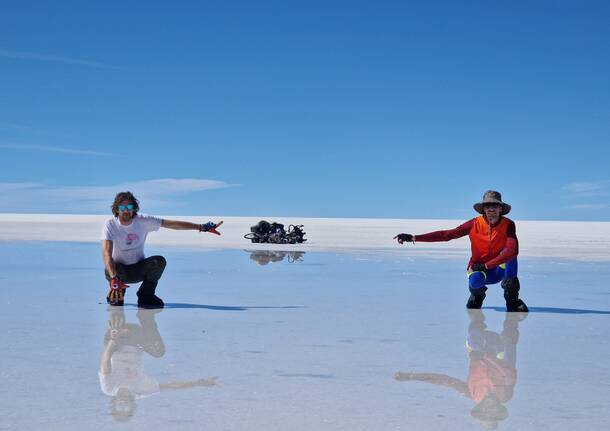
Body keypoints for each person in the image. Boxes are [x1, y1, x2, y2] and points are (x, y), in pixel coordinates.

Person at [394, 190, 528, 312]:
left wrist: (487, 265)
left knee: (511, 255)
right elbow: (446, 235)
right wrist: (414, 237)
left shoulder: (508, 224)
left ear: (500, 208)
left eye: (495, 206)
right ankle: (477, 295)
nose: (491, 209)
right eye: (487, 206)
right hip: (478, 268)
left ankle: (512, 300)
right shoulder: (474, 224)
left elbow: (512, 250)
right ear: (483, 209)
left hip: (499, 270)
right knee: (475, 283)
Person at [395, 310, 526, 430]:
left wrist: (412, 376)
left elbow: (446, 381)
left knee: (473, 344)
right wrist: (487, 357)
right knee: (509, 357)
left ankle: (476, 320)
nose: (489, 407)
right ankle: (511, 322)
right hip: (499, 354)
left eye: (485, 410)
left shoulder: (473, 394)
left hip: (479, 350)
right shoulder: (506, 395)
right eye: (493, 411)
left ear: (481, 408)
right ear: (498, 409)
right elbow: (508, 373)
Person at [101, 191, 222, 308]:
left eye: (129, 206)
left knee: (158, 262)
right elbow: (107, 252)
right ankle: (117, 290)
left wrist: (202, 227)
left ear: (134, 208)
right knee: (111, 271)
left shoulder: (143, 221)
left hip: (139, 269)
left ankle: (145, 295)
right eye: (122, 207)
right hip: (119, 273)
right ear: (117, 209)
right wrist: (114, 278)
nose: (126, 210)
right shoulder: (110, 224)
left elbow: (172, 224)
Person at [99, 307, 218, 421]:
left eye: (120, 407)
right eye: (126, 408)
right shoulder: (142, 391)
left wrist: (114, 338)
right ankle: (145, 315)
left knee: (116, 321)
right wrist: (200, 383)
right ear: (132, 405)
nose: (123, 404)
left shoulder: (109, 387)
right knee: (158, 352)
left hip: (115, 343)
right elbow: (172, 386)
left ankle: (115, 301)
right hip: (136, 340)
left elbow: (105, 358)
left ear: (114, 404)